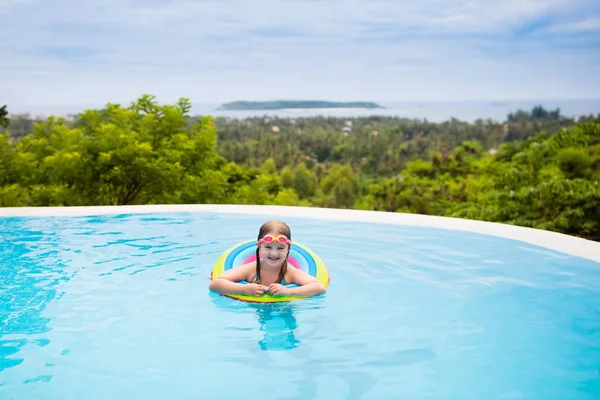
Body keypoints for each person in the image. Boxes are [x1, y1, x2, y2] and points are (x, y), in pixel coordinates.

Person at [209, 220, 327, 297]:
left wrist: (288, 291)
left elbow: (318, 287)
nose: (274, 253)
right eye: (268, 247)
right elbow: (215, 284)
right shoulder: (251, 270)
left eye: (280, 248)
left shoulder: (290, 273)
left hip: (284, 311)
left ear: (288, 249)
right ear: (259, 246)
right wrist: (244, 289)